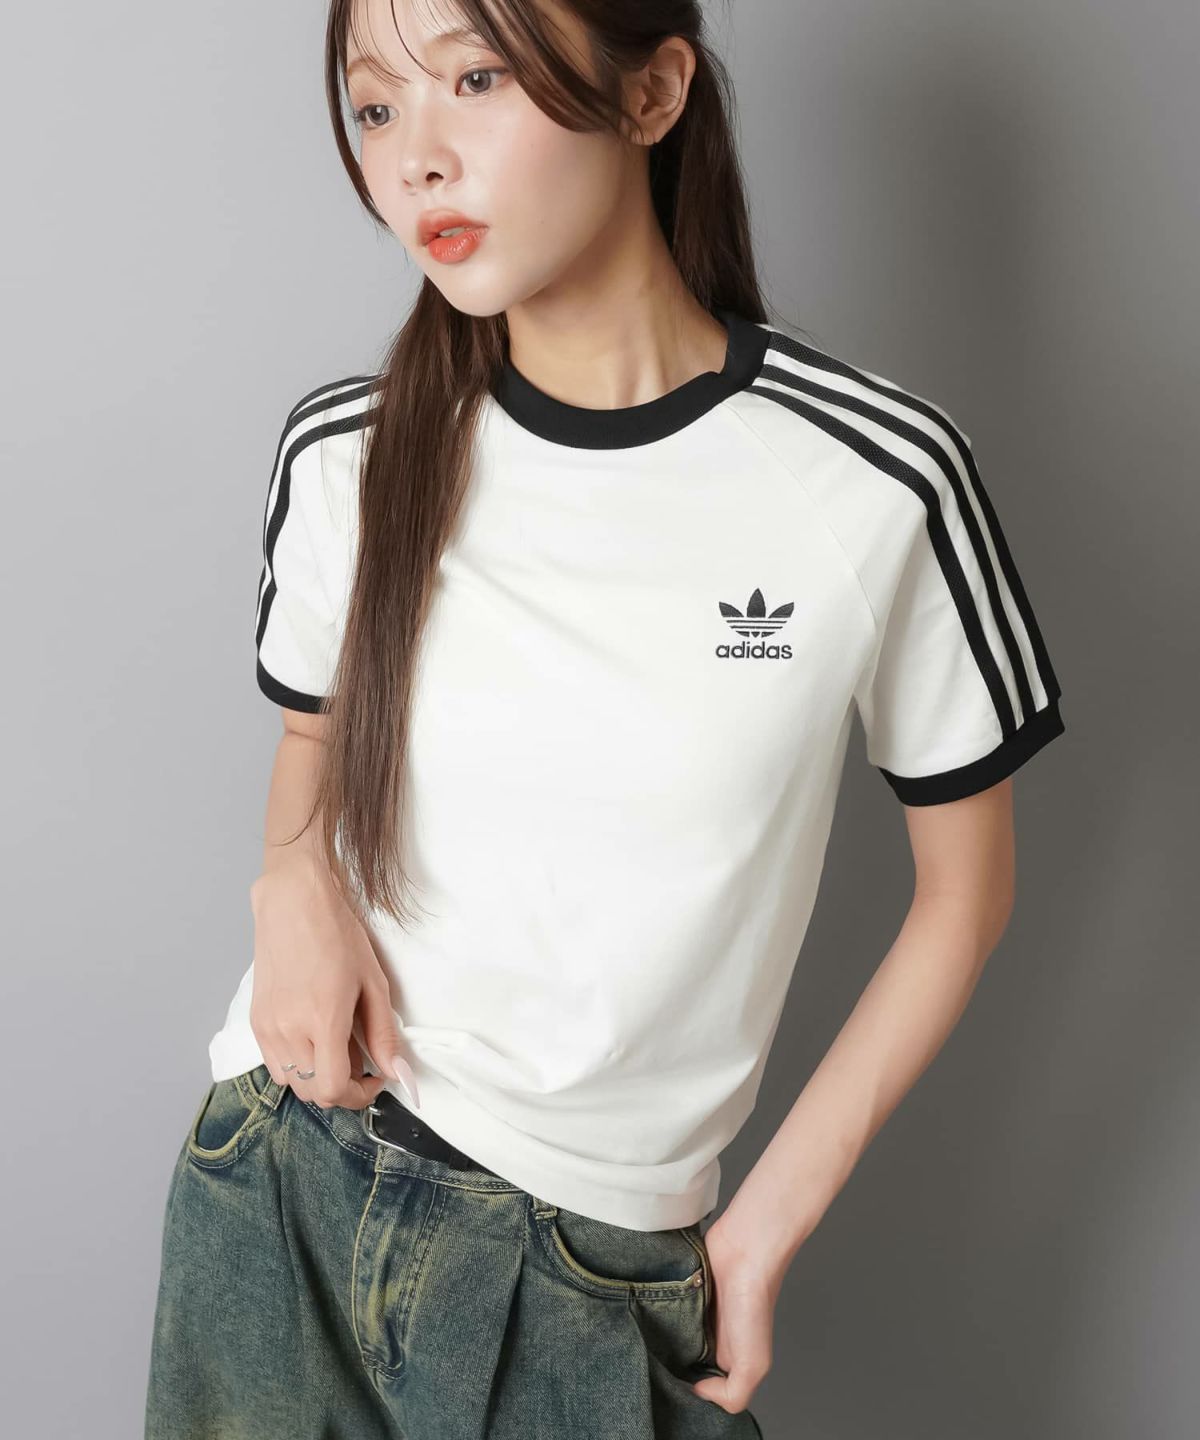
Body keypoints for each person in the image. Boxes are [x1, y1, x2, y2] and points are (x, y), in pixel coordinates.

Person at [144, 1, 1066, 1436]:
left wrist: (764, 1226)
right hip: (282, 1190)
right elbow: (314, 750)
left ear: (652, 95)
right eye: (376, 106)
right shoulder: (347, 453)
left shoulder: (877, 480)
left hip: (599, 1273)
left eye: (475, 78)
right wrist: (290, 878)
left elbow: (968, 895)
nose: (415, 157)